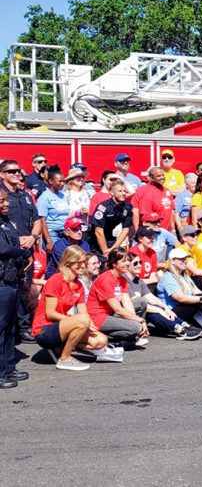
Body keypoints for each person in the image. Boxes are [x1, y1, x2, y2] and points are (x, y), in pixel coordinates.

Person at [32, 246, 113, 371]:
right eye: (79, 263)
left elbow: (84, 312)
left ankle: (60, 348)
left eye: (84, 263)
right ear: (68, 262)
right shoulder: (56, 280)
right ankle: (65, 358)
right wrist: (76, 321)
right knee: (82, 321)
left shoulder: (79, 285)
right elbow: (50, 313)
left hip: (62, 326)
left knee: (101, 340)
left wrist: (92, 328)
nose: (83, 266)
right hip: (44, 330)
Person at [0, 159, 41, 343]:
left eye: (19, 171)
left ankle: (23, 327)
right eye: (12, 171)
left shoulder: (25, 195)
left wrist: (32, 237)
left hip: (26, 250)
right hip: (8, 250)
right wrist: (18, 241)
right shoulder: (2, 196)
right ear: (2, 175)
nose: (18, 174)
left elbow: (38, 220)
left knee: (23, 288)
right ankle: (12, 329)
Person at [125, 253, 202, 340]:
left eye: (140, 262)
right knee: (152, 310)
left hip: (139, 312)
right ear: (128, 265)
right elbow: (136, 304)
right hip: (128, 313)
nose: (139, 265)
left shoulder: (138, 281)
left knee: (157, 306)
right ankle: (180, 330)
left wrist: (165, 308)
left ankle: (185, 325)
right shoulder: (124, 280)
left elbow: (151, 297)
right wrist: (159, 310)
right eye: (135, 263)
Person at [86, 248, 150, 345]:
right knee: (135, 327)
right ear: (114, 264)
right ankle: (102, 336)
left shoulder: (122, 279)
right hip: (97, 317)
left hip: (110, 313)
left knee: (141, 302)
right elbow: (118, 309)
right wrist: (140, 321)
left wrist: (137, 320)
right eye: (124, 261)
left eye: (128, 260)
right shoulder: (105, 279)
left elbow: (127, 303)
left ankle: (132, 336)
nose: (128, 263)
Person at [0, 189, 30, 388]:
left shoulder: (7, 222)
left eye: (6, 200)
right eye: (1, 201)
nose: (6, 204)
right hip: (1, 283)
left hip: (13, 280)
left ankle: (9, 368)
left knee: (10, 328)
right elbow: (3, 249)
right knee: (1, 328)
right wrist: (22, 251)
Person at [90, 179, 133, 258]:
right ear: (112, 192)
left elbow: (125, 230)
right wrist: (106, 254)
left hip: (111, 238)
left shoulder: (127, 207)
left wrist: (114, 249)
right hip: (95, 240)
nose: (123, 193)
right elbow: (98, 232)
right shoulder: (103, 207)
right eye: (120, 191)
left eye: (124, 191)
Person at [37, 169, 72, 250]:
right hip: (52, 233)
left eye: (64, 181)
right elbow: (42, 221)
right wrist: (49, 241)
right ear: (51, 181)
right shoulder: (44, 197)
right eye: (60, 181)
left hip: (65, 232)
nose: (62, 184)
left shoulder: (63, 196)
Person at [131, 167, 174, 232]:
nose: (162, 177)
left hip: (167, 231)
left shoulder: (167, 191)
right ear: (151, 178)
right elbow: (145, 217)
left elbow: (170, 212)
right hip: (154, 233)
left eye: (163, 175)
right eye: (159, 176)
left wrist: (173, 230)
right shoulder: (146, 193)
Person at [63, 167, 91, 231]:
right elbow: (63, 214)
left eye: (82, 177)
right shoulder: (66, 195)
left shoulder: (88, 193)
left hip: (87, 229)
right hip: (72, 229)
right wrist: (78, 212)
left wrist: (89, 212)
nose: (81, 179)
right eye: (78, 177)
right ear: (71, 180)